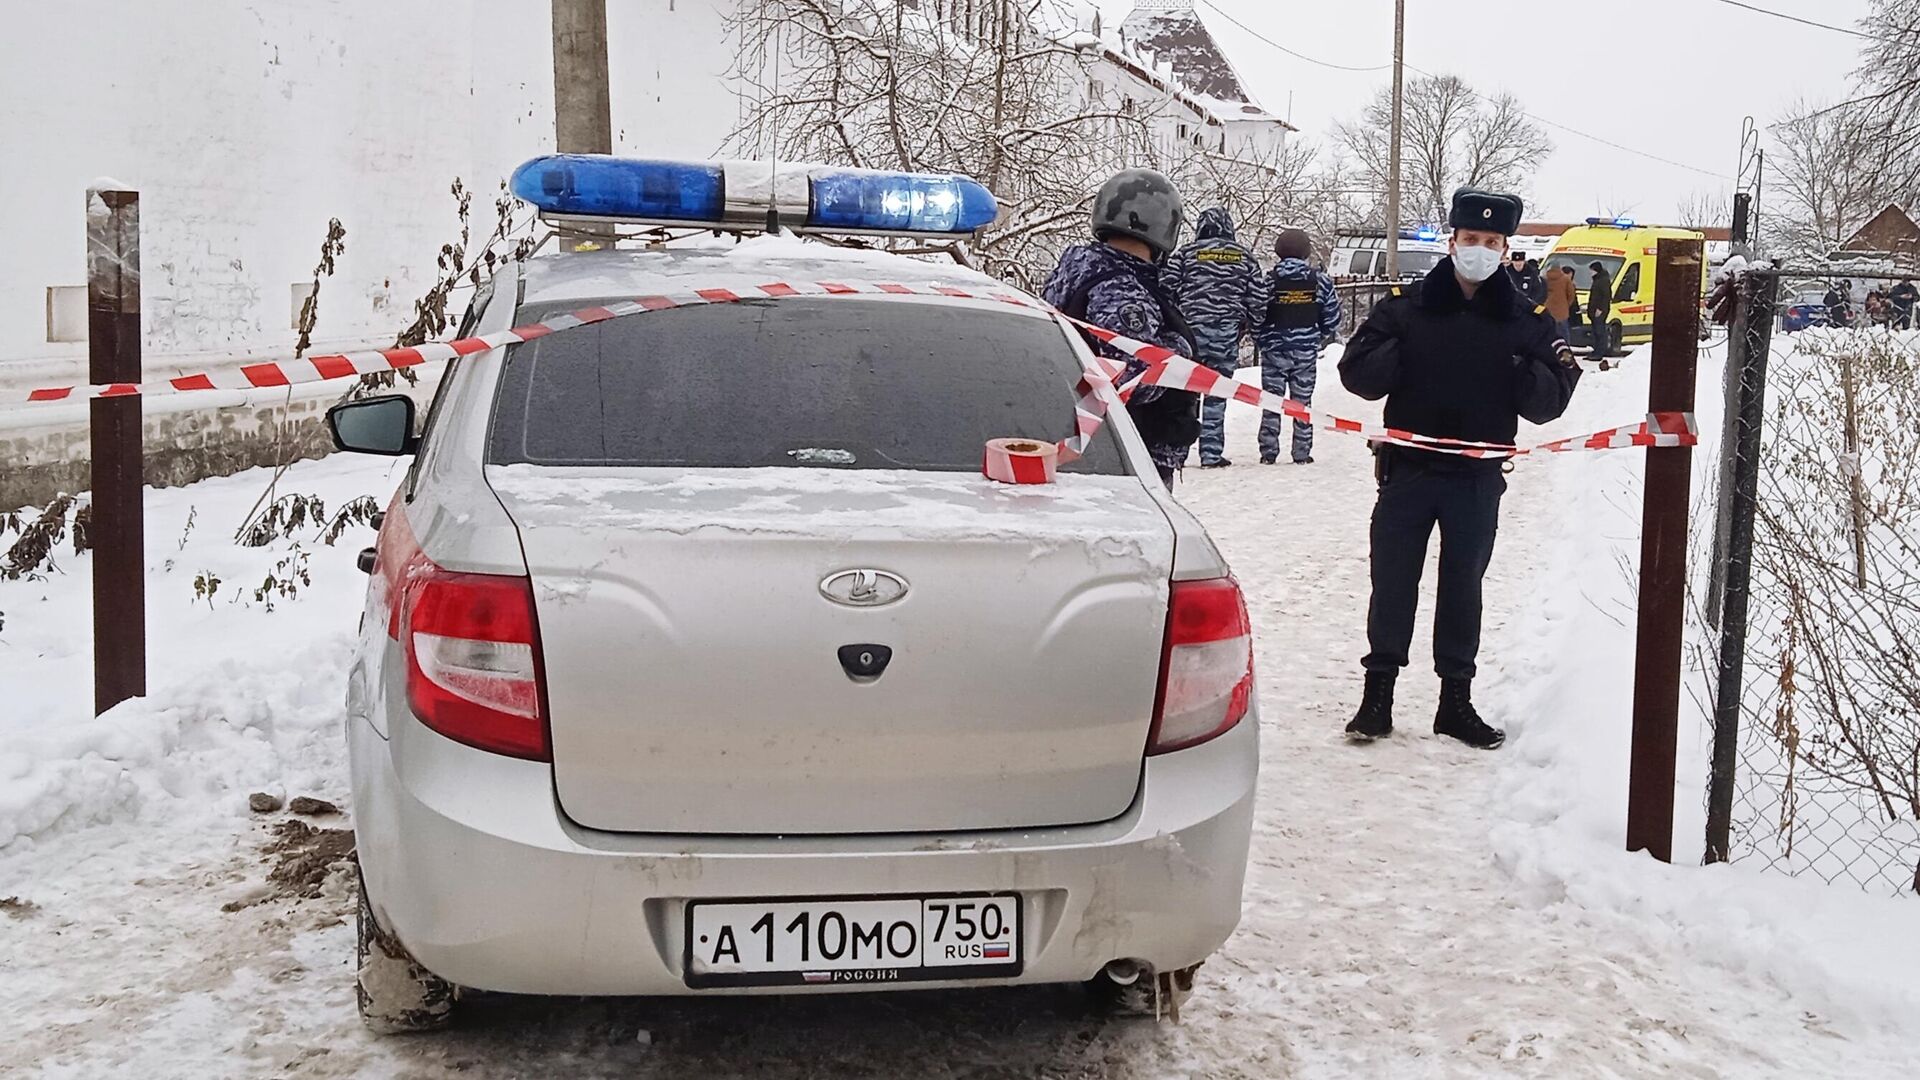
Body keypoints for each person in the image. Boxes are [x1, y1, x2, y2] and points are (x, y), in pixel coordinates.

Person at [1337, 187, 1581, 749]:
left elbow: (1550, 400)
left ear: (1505, 248)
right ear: (1452, 242)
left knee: (1462, 586)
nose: (1480, 249)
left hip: (1476, 479)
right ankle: (1377, 697)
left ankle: (1455, 702)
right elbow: (1358, 374)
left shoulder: (1525, 319)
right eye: (1471, 239)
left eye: (1491, 242)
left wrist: (1522, 370)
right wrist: (1400, 356)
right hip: (1409, 471)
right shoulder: (1407, 305)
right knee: (1392, 581)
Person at [1042, 169, 1199, 488]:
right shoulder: (1121, 290)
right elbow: (1135, 380)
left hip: (1084, 444)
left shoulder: (1079, 273)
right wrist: (1178, 351)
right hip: (1127, 456)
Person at [1163, 207, 1269, 468]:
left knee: (1186, 392)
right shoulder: (1245, 257)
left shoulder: (1185, 255)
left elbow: (1165, 289)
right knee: (1216, 392)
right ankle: (1211, 453)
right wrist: (1254, 330)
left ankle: (1179, 451)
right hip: (1226, 334)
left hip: (1188, 335)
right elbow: (1258, 300)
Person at [1253, 228, 1341, 465]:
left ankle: (1268, 452)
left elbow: (1256, 314)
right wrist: (1315, 336)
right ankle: (1301, 452)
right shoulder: (1319, 281)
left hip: (1273, 349)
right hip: (1305, 350)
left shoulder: (1268, 281)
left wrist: (1263, 338)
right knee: (1302, 401)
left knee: (1271, 400)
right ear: (1306, 251)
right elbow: (1332, 318)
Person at [1544, 263, 1578, 341]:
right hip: (1562, 311)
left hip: (1547, 310)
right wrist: (1566, 305)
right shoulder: (1565, 279)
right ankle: (1565, 350)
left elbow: (1540, 293)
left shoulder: (1544, 279)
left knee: (1548, 332)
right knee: (1564, 333)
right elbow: (1571, 294)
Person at [1587, 261, 1614, 357]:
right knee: (1595, 332)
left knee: (1600, 332)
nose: (1590, 273)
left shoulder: (1603, 281)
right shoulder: (1598, 279)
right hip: (1594, 310)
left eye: (1591, 270)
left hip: (1599, 311)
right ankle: (1595, 351)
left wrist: (1600, 309)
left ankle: (1599, 353)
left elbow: (1606, 296)